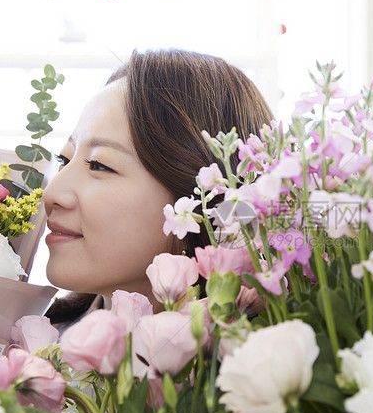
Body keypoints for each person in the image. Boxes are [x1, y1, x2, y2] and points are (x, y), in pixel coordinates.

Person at [42, 48, 273, 324]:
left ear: (200, 202)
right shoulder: (19, 345)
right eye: (63, 159)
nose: (52, 194)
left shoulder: (259, 359)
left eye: (99, 165)